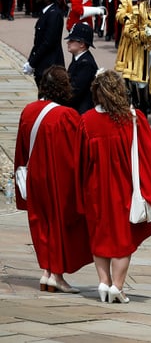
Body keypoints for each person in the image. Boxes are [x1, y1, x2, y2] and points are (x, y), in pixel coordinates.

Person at [80, 70, 151, 303]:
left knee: (100, 235)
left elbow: (80, 160)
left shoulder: (87, 120)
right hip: (125, 188)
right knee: (123, 239)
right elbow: (148, 154)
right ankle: (117, 287)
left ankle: (103, 283)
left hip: (96, 188)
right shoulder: (133, 118)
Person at [14, 66, 91, 294]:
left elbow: (21, 149)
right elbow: (75, 155)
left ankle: (47, 272)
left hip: (33, 178)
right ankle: (55, 275)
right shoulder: (66, 115)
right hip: (58, 179)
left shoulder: (28, 111)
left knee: (42, 224)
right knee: (58, 224)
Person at [25, 0, 64, 83]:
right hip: (43, 64)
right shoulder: (46, 12)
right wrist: (31, 61)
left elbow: (47, 42)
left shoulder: (54, 14)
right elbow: (38, 42)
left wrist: (32, 62)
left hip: (50, 65)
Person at [65, 22, 99, 114]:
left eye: (72, 40)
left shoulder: (86, 64)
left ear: (82, 44)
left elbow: (75, 91)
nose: (68, 42)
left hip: (81, 111)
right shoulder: (78, 58)